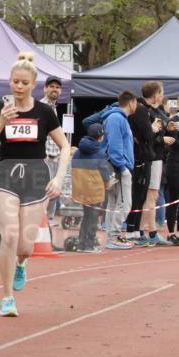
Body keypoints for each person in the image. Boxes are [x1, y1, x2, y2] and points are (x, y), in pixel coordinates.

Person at [0, 52, 70, 317]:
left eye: (23, 83)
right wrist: (1, 124)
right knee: (9, 235)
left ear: (33, 85)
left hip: (36, 176)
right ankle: (7, 297)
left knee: (25, 245)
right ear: (9, 82)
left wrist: (58, 177)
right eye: (14, 82)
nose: (18, 87)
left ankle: (21, 263)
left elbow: (64, 147)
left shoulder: (44, 112)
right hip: (6, 173)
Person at [128, 81, 170, 246]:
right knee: (146, 194)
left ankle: (142, 230)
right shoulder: (141, 110)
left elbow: (160, 128)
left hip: (154, 157)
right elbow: (147, 134)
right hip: (147, 158)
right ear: (155, 94)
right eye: (161, 92)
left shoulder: (155, 111)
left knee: (149, 194)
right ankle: (142, 231)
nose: (162, 96)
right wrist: (160, 136)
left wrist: (167, 130)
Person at [102, 91, 138, 250]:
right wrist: (123, 168)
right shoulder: (117, 119)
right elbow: (115, 146)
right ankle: (113, 236)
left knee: (114, 203)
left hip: (115, 166)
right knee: (124, 203)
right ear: (131, 103)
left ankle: (112, 236)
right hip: (117, 167)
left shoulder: (117, 118)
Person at [71, 123, 111, 252]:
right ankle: (89, 244)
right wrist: (108, 182)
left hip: (81, 188)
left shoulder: (77, 152)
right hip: (94, 188)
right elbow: (104, 172)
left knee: (86, 216)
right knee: (93, 217)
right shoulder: (99, 153)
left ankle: (82, 242)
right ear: (100, 136)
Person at [165, 93, 179, 244]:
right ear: (177, 104)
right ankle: (171, 233)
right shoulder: (173, 120)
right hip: (175, 162)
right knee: (174, 198)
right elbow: (173, 142)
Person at [41, 75, 62, 223]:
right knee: (46, 190)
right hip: (46, 156)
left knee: (54, 190)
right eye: (51, 86)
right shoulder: (42, 106)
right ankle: (44, 220)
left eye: (57, 87)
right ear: (45, 89)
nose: (54, 89)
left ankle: (49, 219)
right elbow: (39, 132)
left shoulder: (53, 107)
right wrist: (42, 153)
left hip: (55, 155)